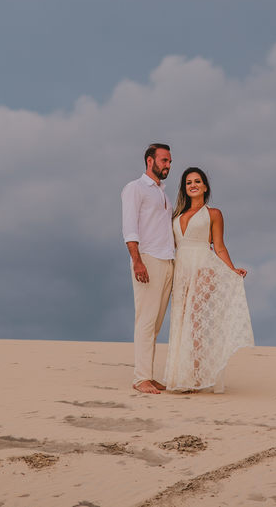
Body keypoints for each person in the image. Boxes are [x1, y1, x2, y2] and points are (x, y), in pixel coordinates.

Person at [163, 166, 254, 393]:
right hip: (181, 270)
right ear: (185, 188)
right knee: (180, 320)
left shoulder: (213, 214)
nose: (193, 185)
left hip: (204, 267)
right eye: (188, 182)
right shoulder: (176, 215)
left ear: (205, 186)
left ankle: (196, 377)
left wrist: (232, 270)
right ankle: (180, 376)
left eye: (197, 181)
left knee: (195, 324)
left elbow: (219, 247)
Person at [121, 143, 175, 394]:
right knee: (145, 320)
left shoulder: (163, 193)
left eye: (170, 161)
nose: (168, 165)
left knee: (155, 324)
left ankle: (148, 375)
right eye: (164, 160)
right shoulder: (135, 188)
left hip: (167, 261)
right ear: (150, 161)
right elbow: (130, 227)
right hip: (148, 259)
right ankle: (140, 378)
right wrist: (137, 261)